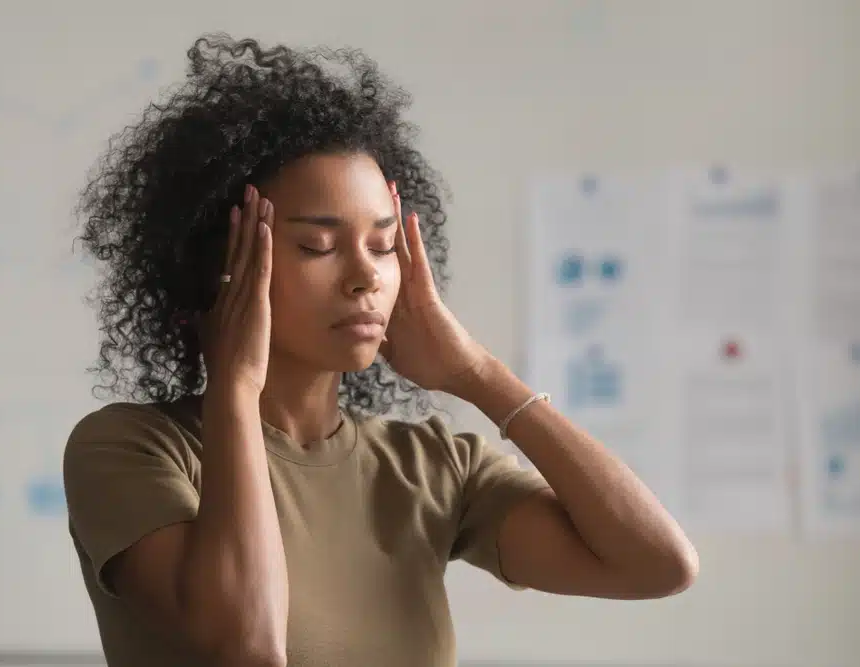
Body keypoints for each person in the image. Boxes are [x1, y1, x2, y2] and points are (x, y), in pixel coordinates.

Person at [63, 33, 698, 667]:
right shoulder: (129, 449)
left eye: (384, 244)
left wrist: (478, 374)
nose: (366, 276)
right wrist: (234, 390)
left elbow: (658, 566)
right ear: (215, 265)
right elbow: (247, 643)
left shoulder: (428, 466)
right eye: (318, 246)